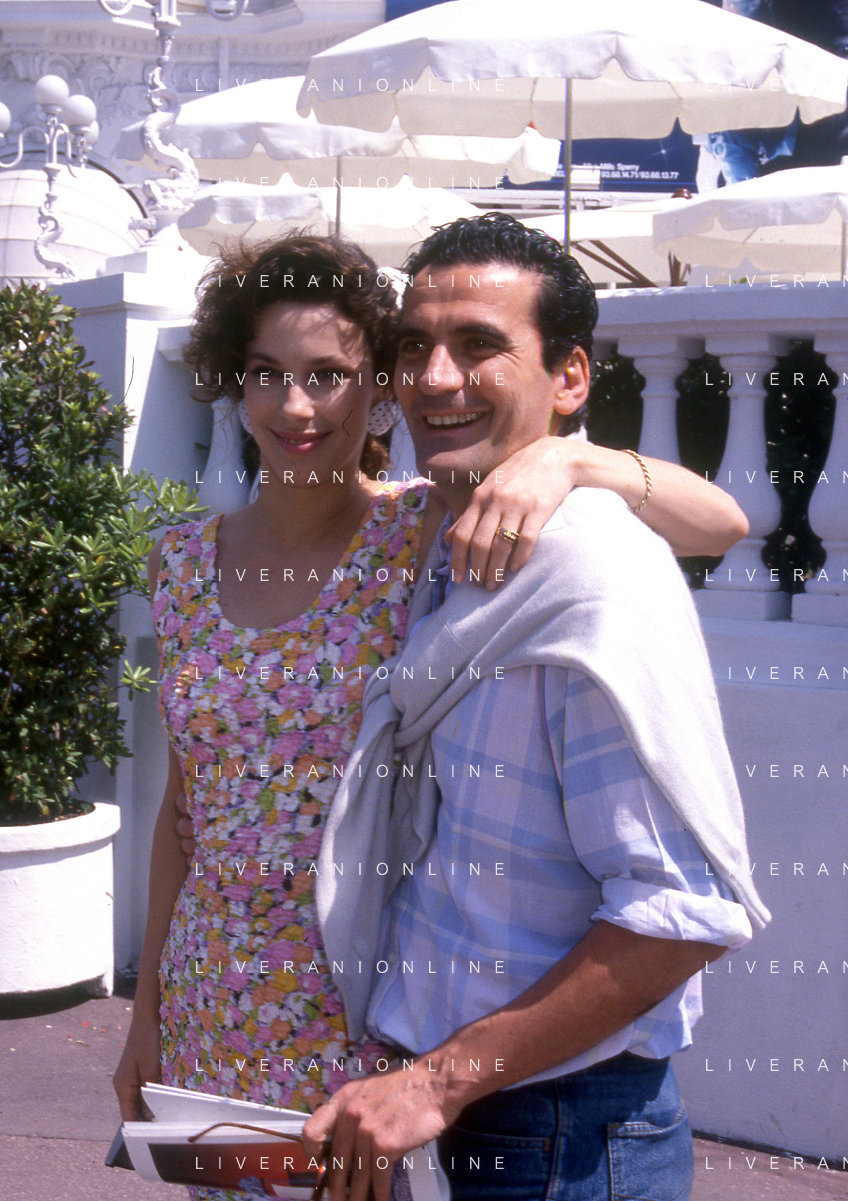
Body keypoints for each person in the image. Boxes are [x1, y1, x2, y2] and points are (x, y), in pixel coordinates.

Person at [113, 230, 748, 1201]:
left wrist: (571, 463)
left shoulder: (423, 532)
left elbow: (722, 523)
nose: (294, 404)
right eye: (267, 373)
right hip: (208, 995)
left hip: (357, 1015)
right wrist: (145, 1014)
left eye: (328, 375)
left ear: (375, 390)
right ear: (234, 383)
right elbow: (180, 811)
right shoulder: (180, 563)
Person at [301, 214, 770, 1201]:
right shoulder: (451, 534)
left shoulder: (591, 583)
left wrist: (435, 1081)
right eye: (413, 348)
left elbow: (680, 912)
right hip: (487, 1109)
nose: (434, 378)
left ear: (569, 377)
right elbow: (722, 518)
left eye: (479, 345)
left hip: (557, 1131)